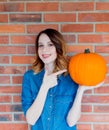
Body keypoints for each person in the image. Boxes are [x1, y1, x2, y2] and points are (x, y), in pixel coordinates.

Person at [21, 28, 104, 130]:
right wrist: (44, 87)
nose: (44, 50)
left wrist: (80, 90)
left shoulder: (72, 76)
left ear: (58, 47)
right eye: (40, 45)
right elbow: (31, 120)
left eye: (50, 44)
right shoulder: (30, 77)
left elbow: (71, 121)